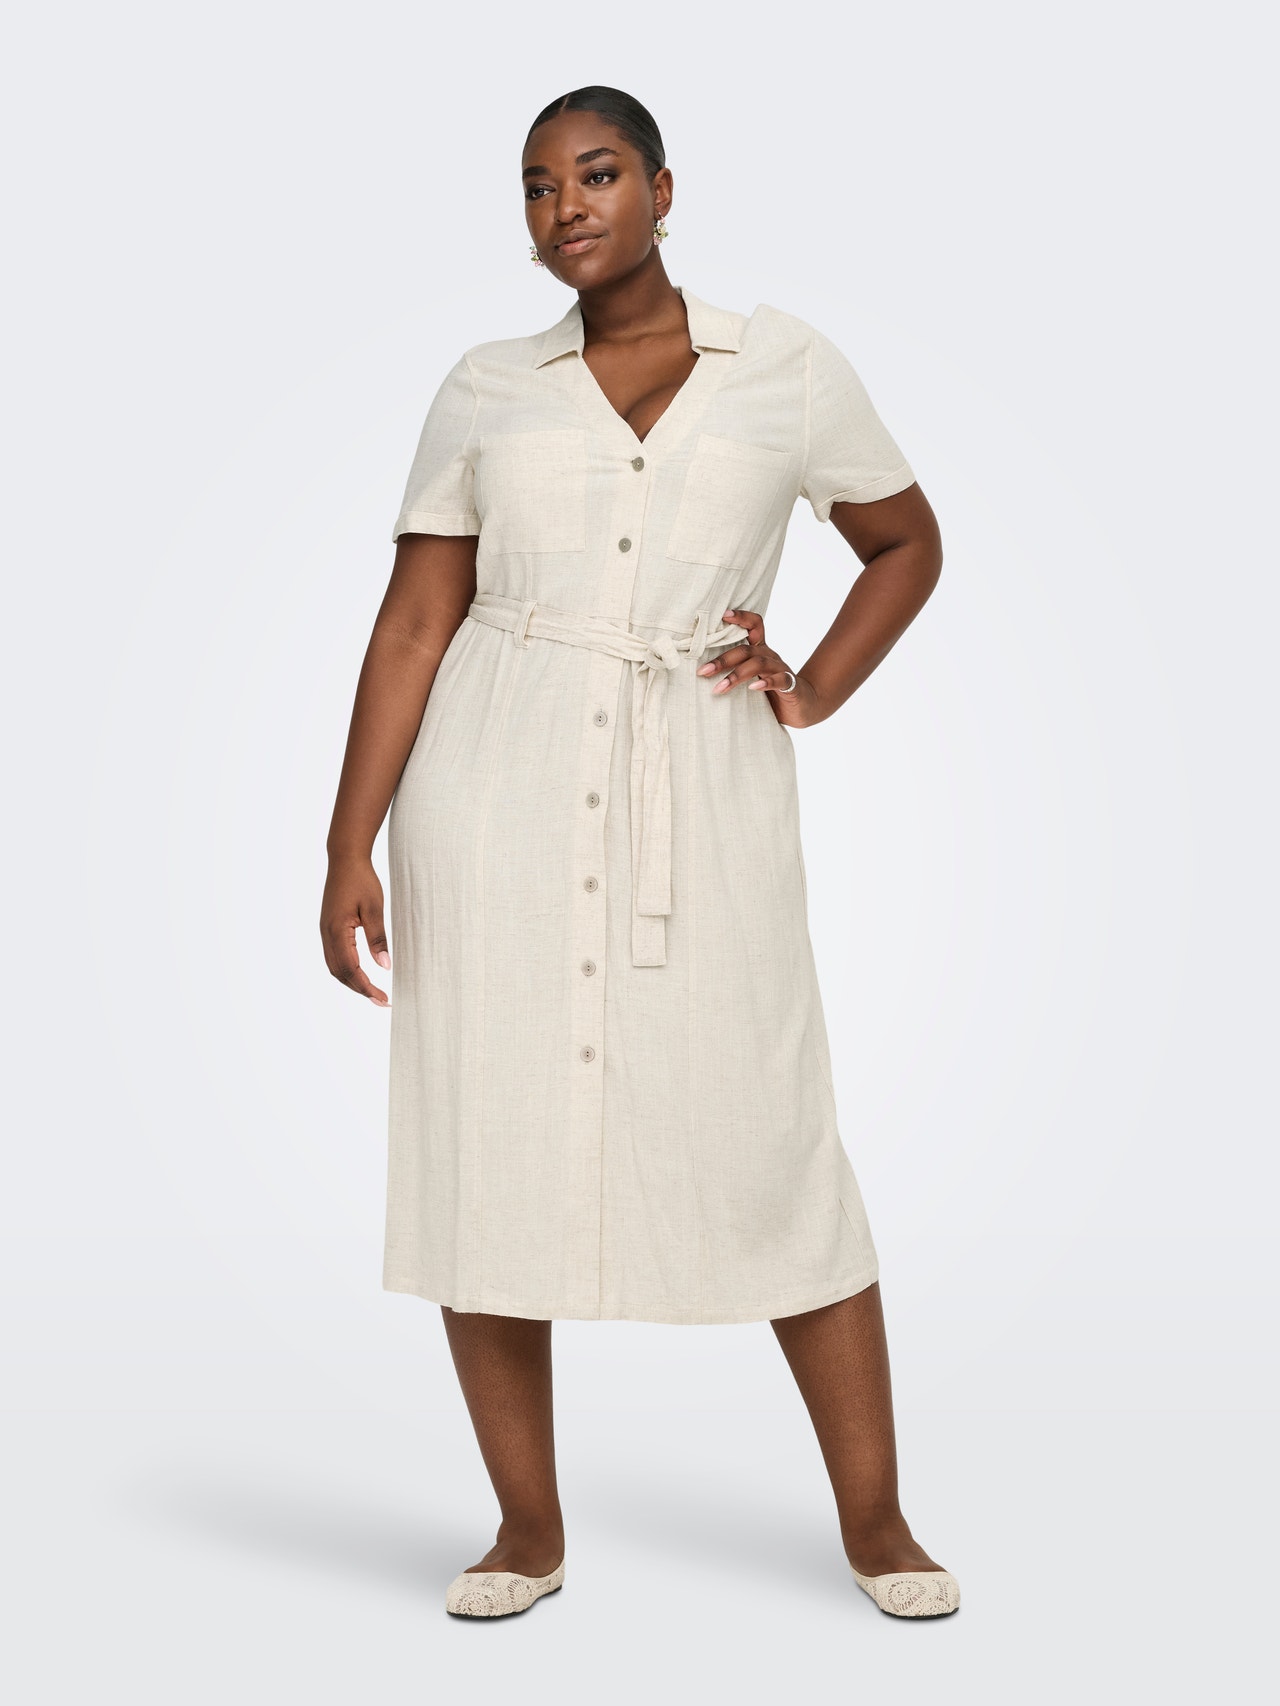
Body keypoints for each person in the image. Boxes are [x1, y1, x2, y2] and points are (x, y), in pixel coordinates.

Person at [320, 84, 957, 1622]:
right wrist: (348, 843)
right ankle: (525, 1527)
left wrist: (814, 683)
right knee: (487, 1150)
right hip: (495, 791)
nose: (566, 209)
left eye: (596, 174)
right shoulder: (487, 387)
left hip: (703, 791)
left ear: (664, 189)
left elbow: (906, 539)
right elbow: (416, 622)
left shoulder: (783, 368)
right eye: (537, 187)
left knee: (773, 1140)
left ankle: (878, 1519)